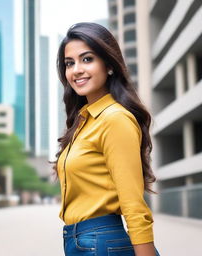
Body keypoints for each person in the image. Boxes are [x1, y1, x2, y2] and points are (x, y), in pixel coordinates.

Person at [51, 22, 161, 256]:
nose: (76, 70)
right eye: (70, 63)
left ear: (109, 65)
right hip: (80, 240)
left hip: (101, 242)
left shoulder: (114, 118)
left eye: (87, 59)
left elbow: (133, 202)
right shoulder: (83, 121)